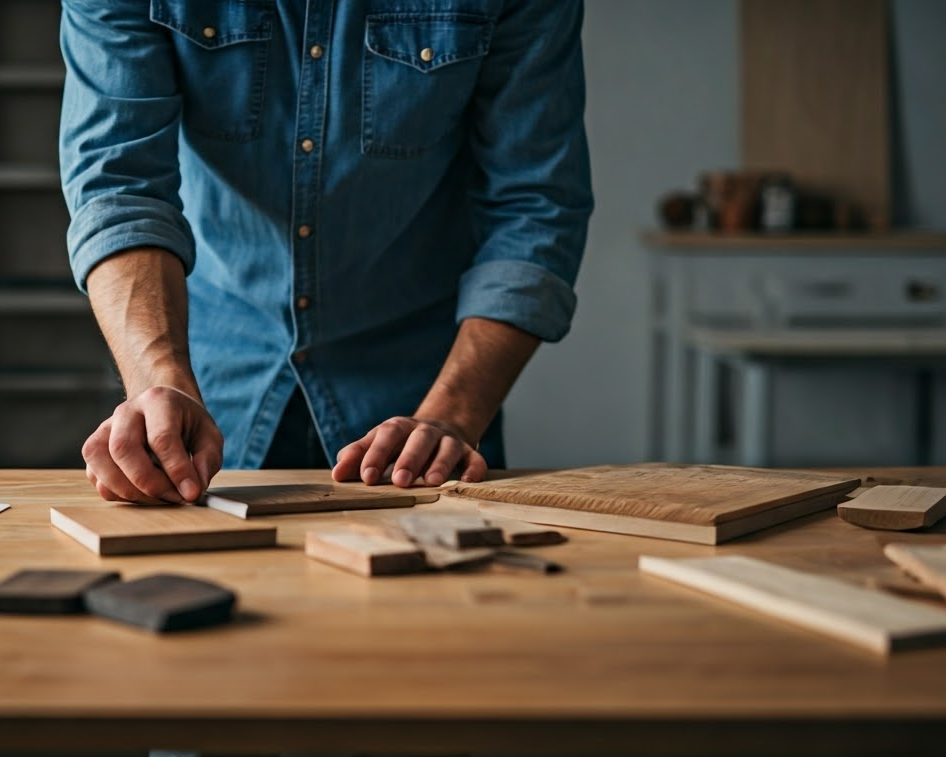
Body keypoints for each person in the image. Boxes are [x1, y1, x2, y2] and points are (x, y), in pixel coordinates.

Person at [61, 0, 591, 506]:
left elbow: (535, 204)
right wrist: (157, 381)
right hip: (211, 387)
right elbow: (120, 188)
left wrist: (452, 414)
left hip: (430, 402)